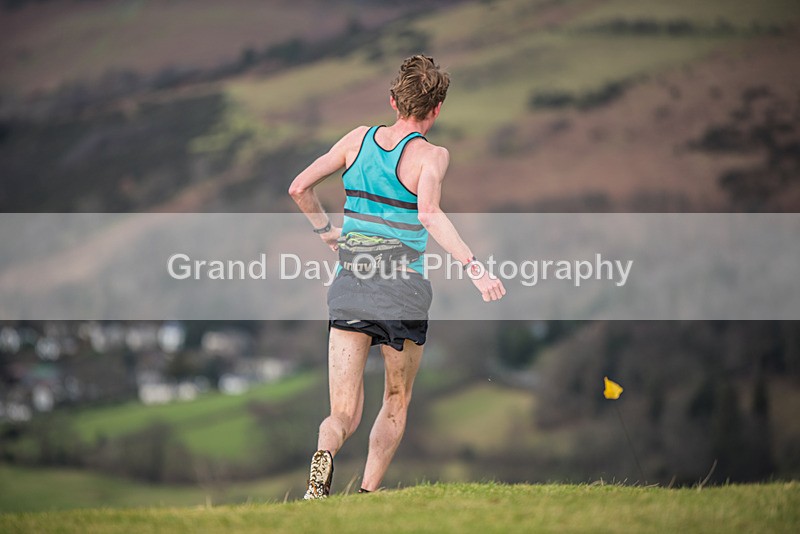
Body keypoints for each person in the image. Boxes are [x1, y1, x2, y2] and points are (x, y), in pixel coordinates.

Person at [289, 54, 505, 499]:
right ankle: (366, 494)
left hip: (351, 285)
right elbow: (428, 214)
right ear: (437, 109)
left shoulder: (355, 140)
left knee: (342, 414)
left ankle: (320, 473)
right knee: (395, 398)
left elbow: (299, 188)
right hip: (403, 290)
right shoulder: (433, 156)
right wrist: (474, 268)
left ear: (393, 101)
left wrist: (328, 233)